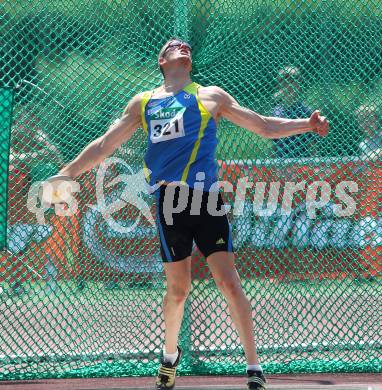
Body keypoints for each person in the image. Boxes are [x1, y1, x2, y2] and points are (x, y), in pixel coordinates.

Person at [54, 38, 329, 390]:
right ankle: (169, 358)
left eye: (185, 46)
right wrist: (68, 171)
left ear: (189, 61)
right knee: (178, 290)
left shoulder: (210, 96)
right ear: (162, 60)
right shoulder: (144, 102)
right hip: (170, 203)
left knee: (229, 282)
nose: (181, 47)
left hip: (208, 200)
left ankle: (254, 368)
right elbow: (106, 145)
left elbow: (263, 126)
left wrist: (306, 124)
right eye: (173, 46)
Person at [271, 66, 319, 159]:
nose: (289, 85)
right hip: (281, 162)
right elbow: (274, 144)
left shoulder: (305, 111)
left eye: (292, 81)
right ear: (279, 85)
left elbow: (312, 144)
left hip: (301, 164)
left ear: (298, 85)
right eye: (284, 82)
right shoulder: (276, 111)